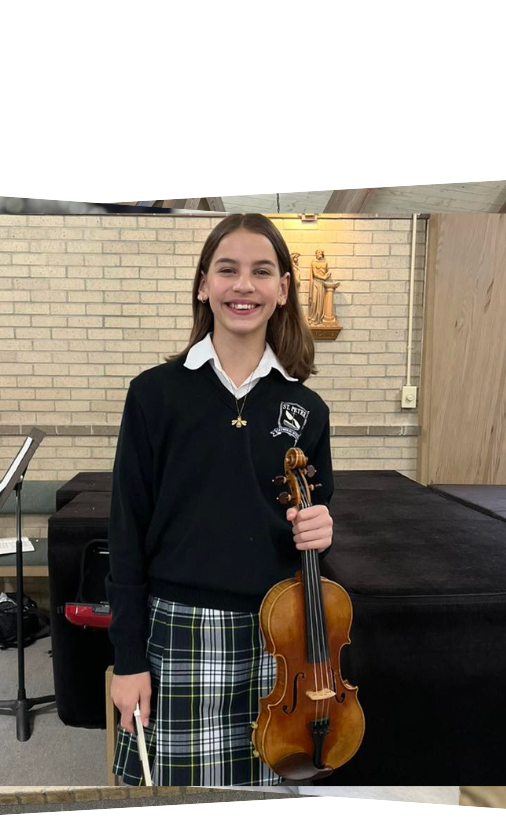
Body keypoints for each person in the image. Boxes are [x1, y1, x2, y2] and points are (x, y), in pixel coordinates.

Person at [107, 214, 336, 787]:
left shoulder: (307, 409)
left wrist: (322, 529)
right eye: (228, 270)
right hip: (179, 630)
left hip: (279, 637)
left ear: (282, 290)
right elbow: (126, 534)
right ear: (203, 285)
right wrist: (128, 659)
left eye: (262, 272)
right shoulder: (154, 394)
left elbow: (313, 525)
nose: (244, 286)